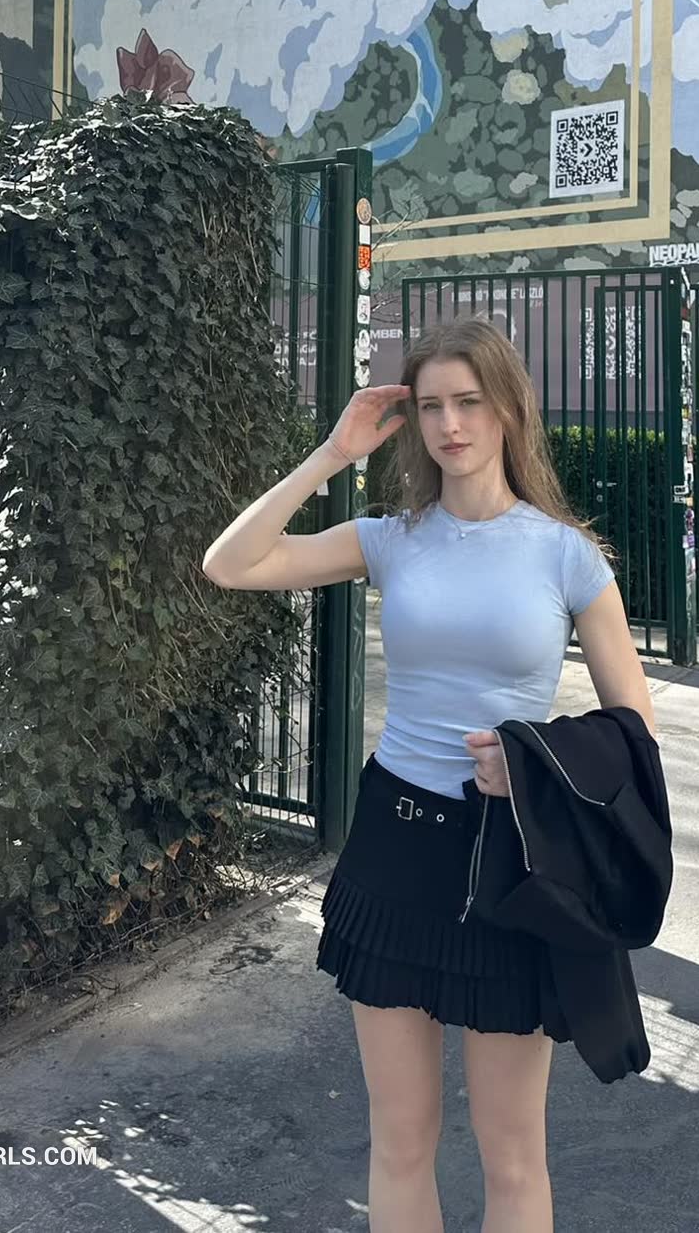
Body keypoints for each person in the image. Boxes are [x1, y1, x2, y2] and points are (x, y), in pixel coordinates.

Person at [202, 317, 658, 1233]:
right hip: (395, 850)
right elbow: (230, 564)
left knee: (511, 1152)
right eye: (432, 407)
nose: (450, 425)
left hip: (512, 862)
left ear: (508, 410)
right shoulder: (390, 538)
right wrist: (332, 454)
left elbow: (635, 728)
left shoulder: (565, 553)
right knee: (400, 1141)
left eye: (469, 403)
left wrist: (534, 770)